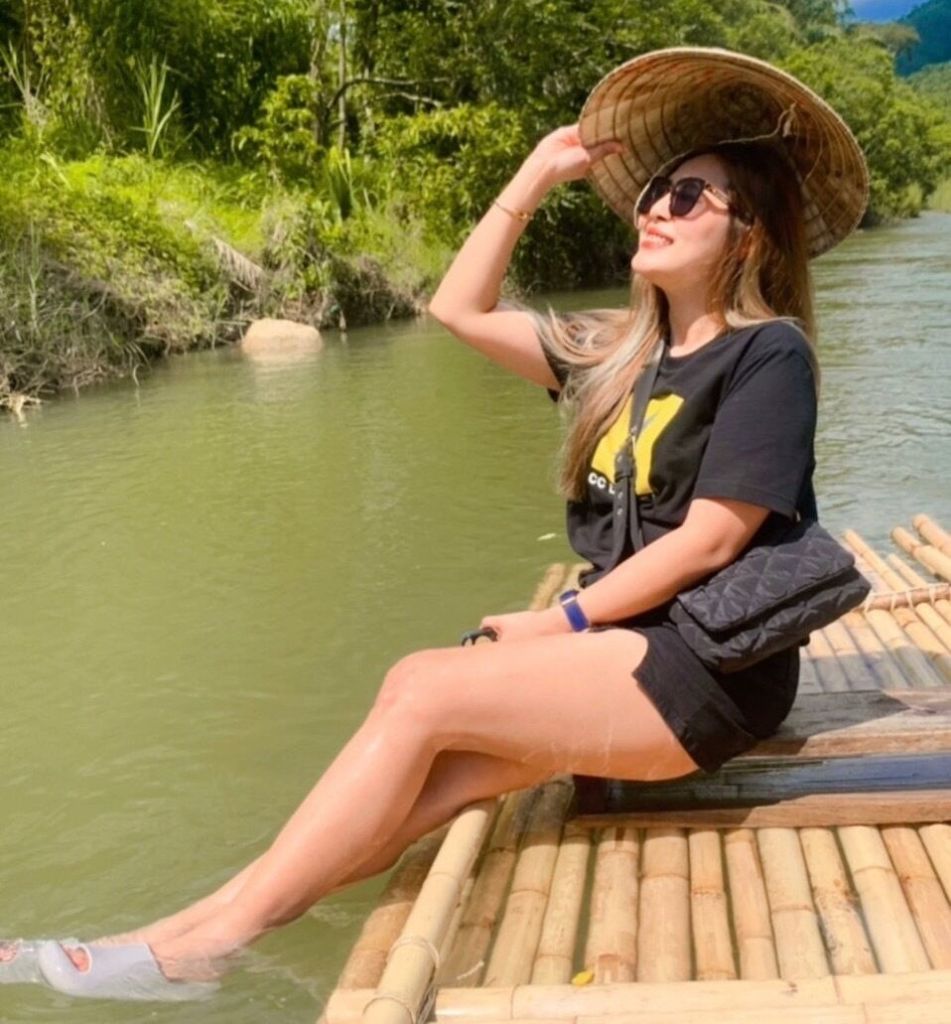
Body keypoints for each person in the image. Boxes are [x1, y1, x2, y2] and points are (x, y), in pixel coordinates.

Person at [0, 48, 868, 1000]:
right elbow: (456, 307)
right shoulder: (616, 355)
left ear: (748, 231)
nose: (656, 207)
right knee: (434, 775)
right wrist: (532, 178)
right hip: (614, 652)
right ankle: (179, 937)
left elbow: (712, 539)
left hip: (707, 669)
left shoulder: (766, 355)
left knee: (419, 689)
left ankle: (202, 951)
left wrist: (558, 622)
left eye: (689, 195)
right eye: (654, 190)